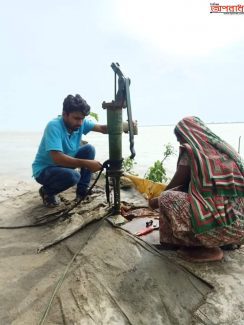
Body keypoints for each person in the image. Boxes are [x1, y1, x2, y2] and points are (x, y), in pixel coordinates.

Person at [149, 116, 244, 262]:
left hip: (220, 227)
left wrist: (155, 201)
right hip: (239, 227)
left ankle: (206, 248)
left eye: (180, 138)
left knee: (166, 198)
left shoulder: (191, 152)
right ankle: (225, 242)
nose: (180, 143)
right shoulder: (224, 149)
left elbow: (175, 186)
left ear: (188, 135)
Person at [32, 94, 107, 207]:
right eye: (76, 118)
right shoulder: (54, 126)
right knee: (73, 176)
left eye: (82, 119)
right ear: (64, 114)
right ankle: (47, 191)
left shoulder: (79, 123)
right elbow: (57, 158)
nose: (80, 123)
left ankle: (82, 191)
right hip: (45, 171)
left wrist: (124, 126)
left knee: (89, 149)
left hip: (63, 165)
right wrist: (87, 163)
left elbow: (102, 128)